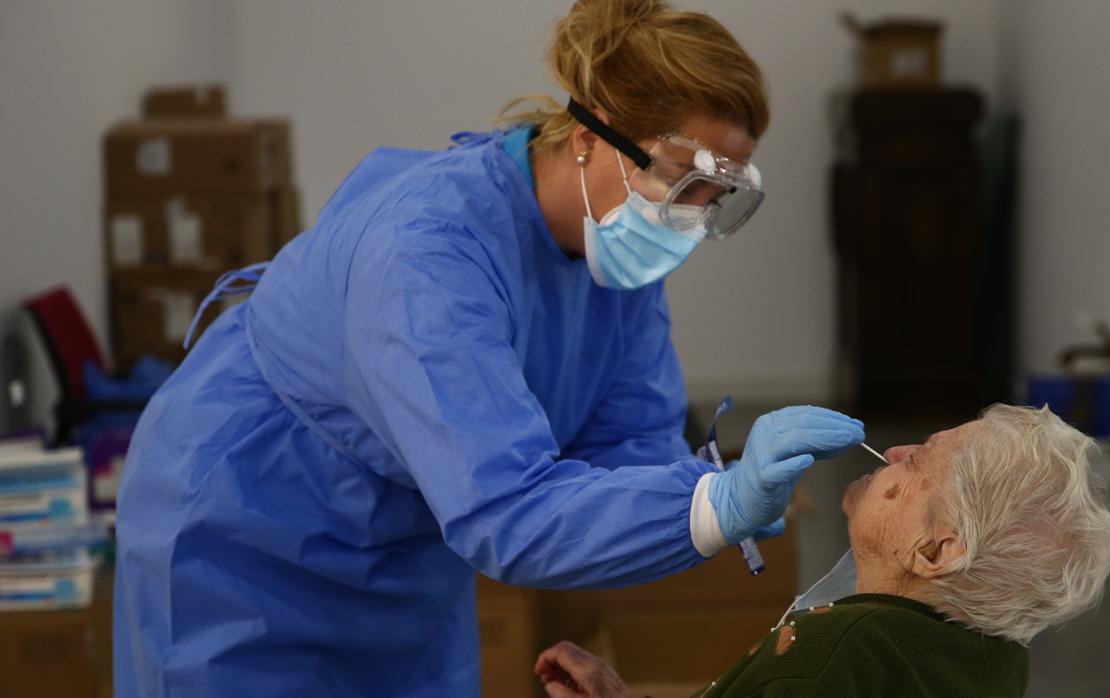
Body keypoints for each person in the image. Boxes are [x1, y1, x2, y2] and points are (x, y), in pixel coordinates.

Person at [112, 1, 865, 696]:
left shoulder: (619, 271)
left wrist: (703, 493)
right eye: (684, 183)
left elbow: (625, 447)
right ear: (588, 136)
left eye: (721, 198)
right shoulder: (430, 255)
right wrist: (715, 507)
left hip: (405, 539)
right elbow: (508, 511)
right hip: (249, 524)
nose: (692, 220)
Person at [535, 404, 1110, 697]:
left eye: (919, 462)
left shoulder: (831, 659)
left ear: (935, 550)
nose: (895, 452)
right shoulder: (992, 659)